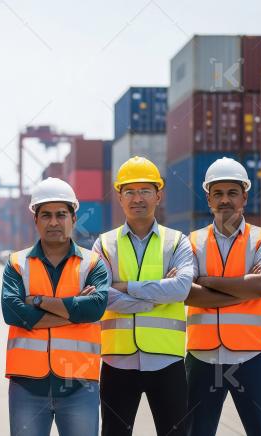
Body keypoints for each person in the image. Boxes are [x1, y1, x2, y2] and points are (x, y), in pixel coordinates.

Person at [1, 177, 109, 436]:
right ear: (35, 219)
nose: (53, 222)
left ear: (73, 218)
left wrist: (37, 301)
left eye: (61, 214)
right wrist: (75, 311)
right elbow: (13, 312)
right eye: (46, 215)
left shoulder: (93, 263)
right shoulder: (16, 263)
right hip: (27, 385)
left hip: (79, 385)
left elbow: (95, 309)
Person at [93, 156, 193, 436]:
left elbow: (182, 288)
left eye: (145, 191)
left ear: (158, 195)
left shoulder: (177, 241)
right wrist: (159, 295)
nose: (138, 198)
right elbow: (103, 296)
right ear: (119, 197)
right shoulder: (104, 243)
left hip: (167, 360)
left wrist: (127, 286)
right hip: (117, 361)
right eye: (130, 191)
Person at [185, 157, 261, 436]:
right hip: (203, 359)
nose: (225, 200)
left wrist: (207, 280)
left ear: (245, 197)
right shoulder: (191, 241)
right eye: (218, 193)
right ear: (208, 198)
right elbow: (188, 293)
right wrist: (243, 289)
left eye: (232, 193)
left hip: (252, 358)